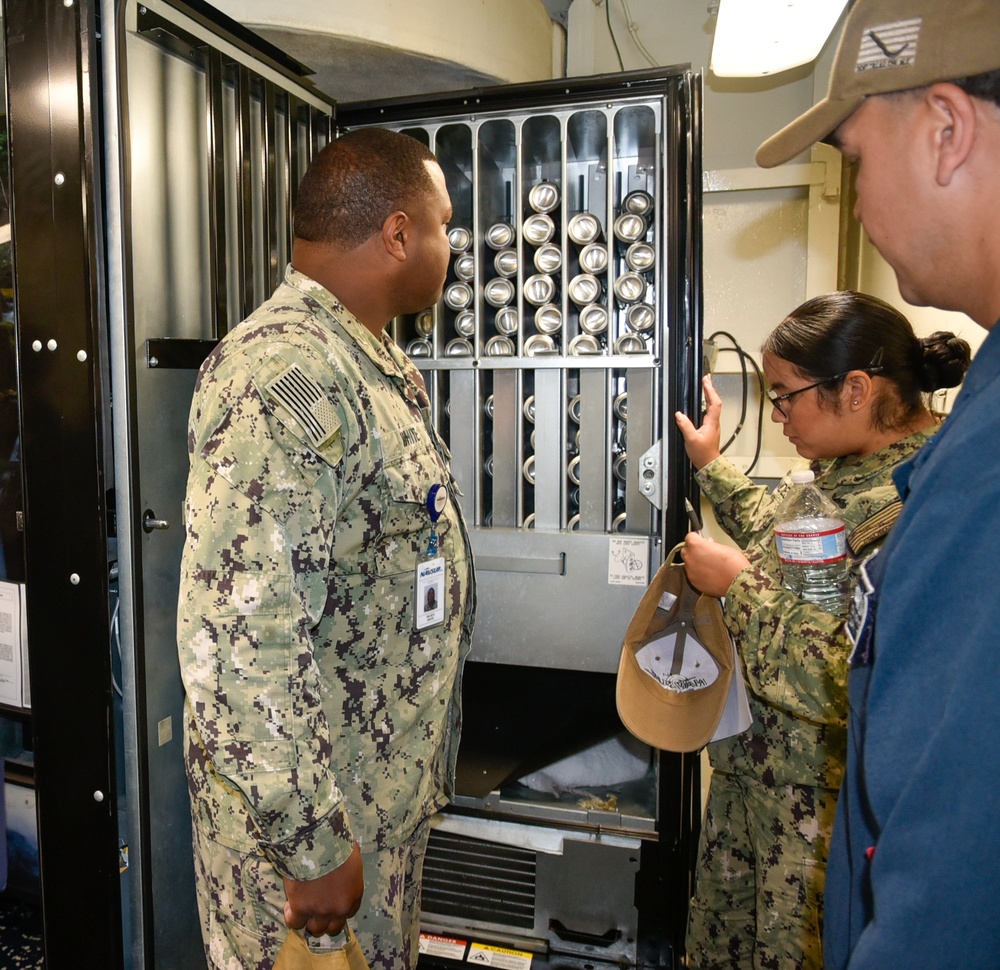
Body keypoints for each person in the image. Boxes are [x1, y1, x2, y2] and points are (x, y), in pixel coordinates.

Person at [176, 127, 476, 970]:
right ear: (397, 234)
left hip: (373, 801)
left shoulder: (367, 358)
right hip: (308, 842)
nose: (451, 247)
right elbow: (241, 639)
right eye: (445, 226)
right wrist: (311, 842)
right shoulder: (280, 375)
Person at [756, 1, 1000, 966]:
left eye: (856, 159)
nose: (856, 203)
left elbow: (955, 854)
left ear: (947, 129)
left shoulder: (978, 474)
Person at [674, 292, 970, 969]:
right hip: (755, 787)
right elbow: (786, 544)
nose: (778, 418)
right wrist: (712, 465)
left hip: (815, 818)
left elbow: (853, 674)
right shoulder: (843, 469)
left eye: (785, 397)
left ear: (856, 389)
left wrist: (736, 587)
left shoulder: (917, 503)